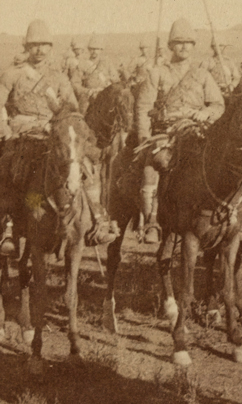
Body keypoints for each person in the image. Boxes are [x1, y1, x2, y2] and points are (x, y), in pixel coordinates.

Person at [0, 20, 117, 248]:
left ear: (51, 47)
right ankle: (9, 225)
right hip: (22, 133)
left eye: (44, 45)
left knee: (84, 166)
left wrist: (60, 127)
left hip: (54, 134)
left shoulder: (59, 77)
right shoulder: (12, 74)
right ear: (26, 46)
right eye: (35, 45)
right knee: (11, 171)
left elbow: (72, 109)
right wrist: (6, 129)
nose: (40, 50)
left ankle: (97, 217)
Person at [135, 18, 225, 243]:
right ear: (170, 46)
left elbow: (218, 105)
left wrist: (206, 114)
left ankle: (221, 216)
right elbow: (143, 107)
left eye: (188, 43)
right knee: (156, 163)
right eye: (179, 42)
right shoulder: (157, 73)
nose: (184, 47)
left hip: (196, 131)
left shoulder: (203, 75)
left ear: (194, 46)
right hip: (165, 132)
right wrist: (145, 138)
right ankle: (151, 222)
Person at [73, 34, 119, 114]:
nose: (94, 51)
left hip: (106, 95)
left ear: (101, 50)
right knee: (82, 114)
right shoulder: (82, 64)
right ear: (88, 50)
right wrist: (88, 91)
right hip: (89, 97)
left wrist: (109, 81)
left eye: (97, 49)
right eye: (92, 49)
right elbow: (75, 84)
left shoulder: (107, 63)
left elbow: (116, 80)